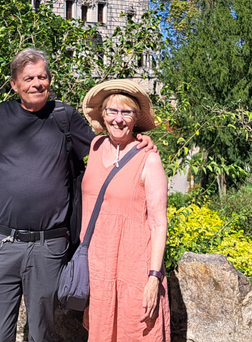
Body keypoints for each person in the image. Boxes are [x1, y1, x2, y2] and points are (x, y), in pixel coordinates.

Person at [0, 49, 156, 342]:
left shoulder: (65, 117)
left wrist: (136, 139)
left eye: (42, 77)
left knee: (41, 334)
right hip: (1, 244)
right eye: (29, 78)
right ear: (14, 84)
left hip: (50, 246)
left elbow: (105, 152)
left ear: (50, 80)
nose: (37, 83)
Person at [80, 80, 171, 341]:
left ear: (136, 118)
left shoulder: (148, 157)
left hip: (135, 269)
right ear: (103, 115)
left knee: (136, 331)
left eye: (126, 112)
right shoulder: (95, 147)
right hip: (99, 266)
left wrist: (153, 278)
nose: (118, 120)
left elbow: (158, 223)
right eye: (112, 111)